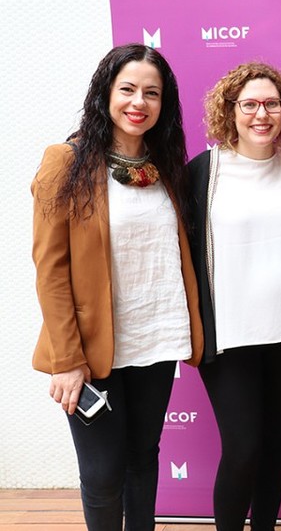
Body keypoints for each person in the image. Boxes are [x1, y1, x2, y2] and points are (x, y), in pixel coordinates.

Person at [31, 44, 204, 531]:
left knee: (142, 459)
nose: (138, 102)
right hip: (90, 348)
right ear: (105, 93)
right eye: (127, 89)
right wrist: (67, 359)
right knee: (103, 473)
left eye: (152, 93)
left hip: (155, 337)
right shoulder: (65, 162)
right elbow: (50, 269)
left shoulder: (165, 167)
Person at [186, 62, 281, 531]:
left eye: (272, 104)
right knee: (243, 447)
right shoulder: (204, 172)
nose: (262, 114)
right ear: (230, 111)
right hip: (228, 335)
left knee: (276, 443)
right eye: (250, 105)